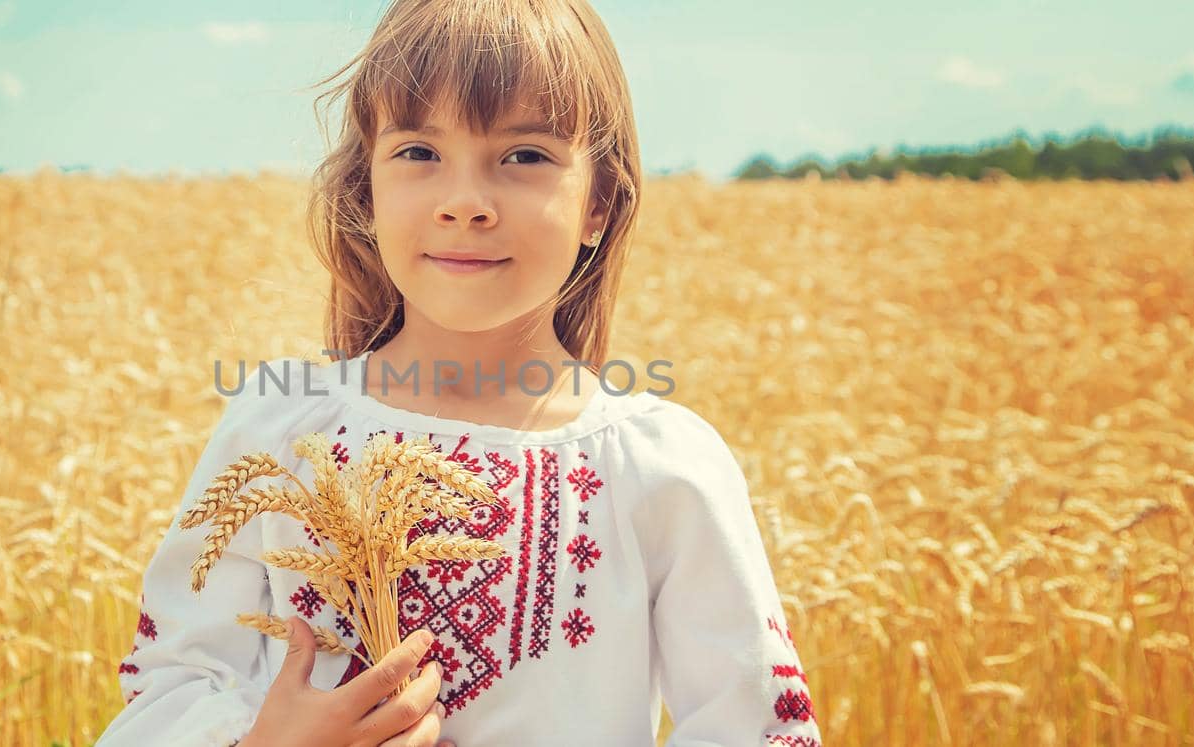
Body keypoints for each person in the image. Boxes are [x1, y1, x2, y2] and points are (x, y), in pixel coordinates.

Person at [97, 0, 823, 744]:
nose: (465, 203)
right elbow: (166, 685)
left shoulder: (662, 465)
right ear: (366, 188)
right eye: (418, 152)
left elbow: (755, 726)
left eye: (524, 156)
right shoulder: (279, 429)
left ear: (599, 201)